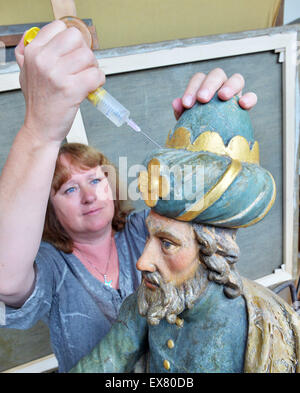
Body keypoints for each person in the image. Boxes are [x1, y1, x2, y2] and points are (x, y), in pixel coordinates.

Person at [0, 20, 257, 372]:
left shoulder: (142, 228)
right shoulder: (52, 267)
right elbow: (6, 278)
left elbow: (204, 215)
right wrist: (40, 130)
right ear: (47, 208)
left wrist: (204, 134)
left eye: (96, 180)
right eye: (70, 189)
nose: (89, 196)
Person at [70, 95, 300, 374]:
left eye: (167, 243)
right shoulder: (147, 303)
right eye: (148, 237)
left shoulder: (266, 328)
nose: (142, 262)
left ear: (212, 252)